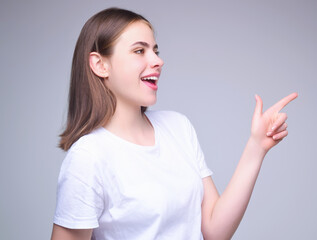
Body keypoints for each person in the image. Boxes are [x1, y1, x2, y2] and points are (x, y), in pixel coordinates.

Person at [51, 7, 297, 240]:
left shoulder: (177, 127)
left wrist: (256, 147)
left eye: (155, 50)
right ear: (100, 65)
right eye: (140, 51)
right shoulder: (88, 157)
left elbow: (214, 231)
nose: (158, 61)